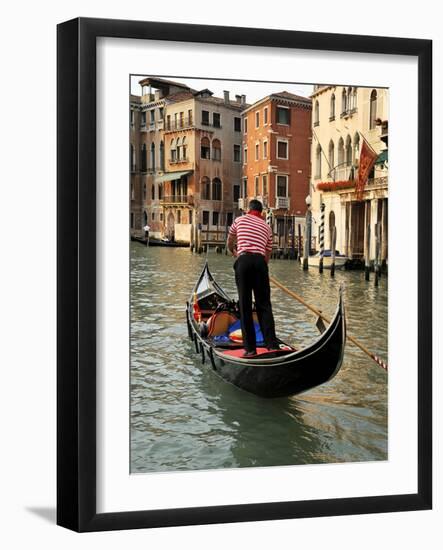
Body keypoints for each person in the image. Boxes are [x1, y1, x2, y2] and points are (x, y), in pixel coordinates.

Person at [227, 199, 279, 357]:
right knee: (264, 306)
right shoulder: (267, 227)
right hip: (260, 263)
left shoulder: (239, 220)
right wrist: (262, 267)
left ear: (248, 209)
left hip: (243, 262)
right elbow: (268, 252)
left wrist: (235, 253)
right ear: (261, 212)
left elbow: (230, 241)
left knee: (245, 306)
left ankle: (250, 349)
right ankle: (271, 345)